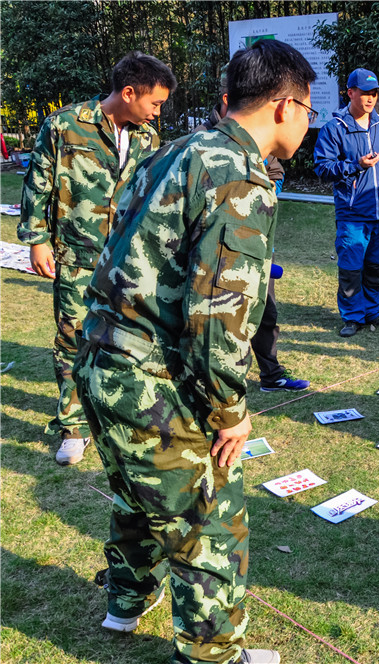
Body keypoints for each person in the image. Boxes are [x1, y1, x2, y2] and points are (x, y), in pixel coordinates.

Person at [73, 39, 316, 664]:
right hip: (152, 377)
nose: (310, 122)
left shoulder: (179, 149)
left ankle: (125, 602)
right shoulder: (237, 175)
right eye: (310, 108)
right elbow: (220, 321)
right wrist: (231, 410)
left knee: (138, 495)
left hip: (102, 360)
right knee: (208, 521)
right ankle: (212, 654)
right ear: (287, 105)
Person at [17, 51, 176, 465]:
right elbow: (39, 183)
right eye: (155, 103)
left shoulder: (147, 139)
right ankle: (72, 426)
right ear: (128, 93)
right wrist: (37, 240)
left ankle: (117, 412)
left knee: (128, 339)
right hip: (77, 256)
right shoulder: (65, 125)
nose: (157, 114)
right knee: (73, 338)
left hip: (128, 260)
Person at [195, 73, 310, 392]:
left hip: (255, 245)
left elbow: (275, 170)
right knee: (218, 322)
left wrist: (267, 189)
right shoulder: (201, 140)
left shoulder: (256, 138)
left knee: (264, 310)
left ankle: (271, 374)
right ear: (228, 100)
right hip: (214, 254)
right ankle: (215, 386)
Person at [314, 68, 379, 338]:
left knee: (376, 267)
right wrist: (356, 165)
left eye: (374, 93)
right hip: (352, 214)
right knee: (351, 269)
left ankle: (372, 312)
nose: (370, 98)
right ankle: (352, 317)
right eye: (365, 93)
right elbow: (322, 167)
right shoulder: (334, 129)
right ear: (350, 93)